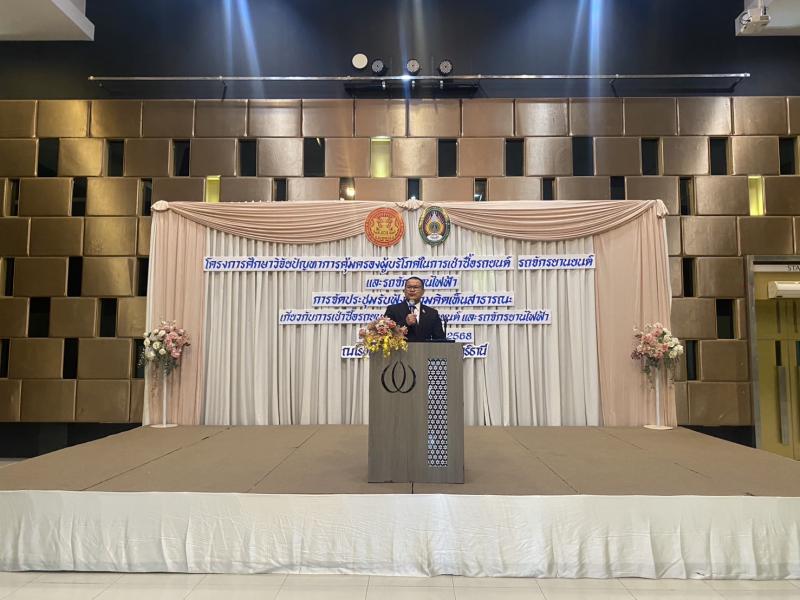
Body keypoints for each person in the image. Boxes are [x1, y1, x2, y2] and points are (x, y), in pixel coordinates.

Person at [384, 276, 446, 342]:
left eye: (416, 287)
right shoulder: (392, 310)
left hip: (424, 348)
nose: (412, 290)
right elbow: (384, 334)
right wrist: (405, 323)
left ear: (423, 292)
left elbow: (440, 340)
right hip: (400, 348)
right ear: (404, 291)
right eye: (409, 287)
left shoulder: (432, 313)